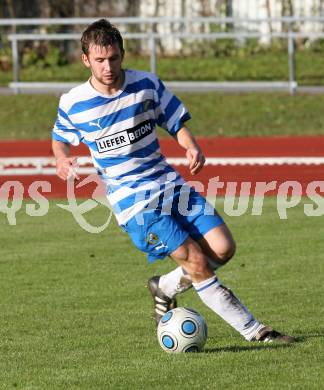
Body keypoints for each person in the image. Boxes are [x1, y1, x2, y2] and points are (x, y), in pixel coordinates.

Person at [52, 19, 294, 344]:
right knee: (195, 259)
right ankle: (257, 331)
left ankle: (164, 287)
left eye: (113, 58)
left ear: (122, 54)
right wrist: (61, 157)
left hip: (170, 185)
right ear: (86, 60)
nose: (108, 66)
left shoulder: (146, 85)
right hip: (135, 204)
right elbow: (60, 137)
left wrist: (191, 145)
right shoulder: (74, 102)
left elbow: (175, 120)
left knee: (223, 248)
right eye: (99, 60)